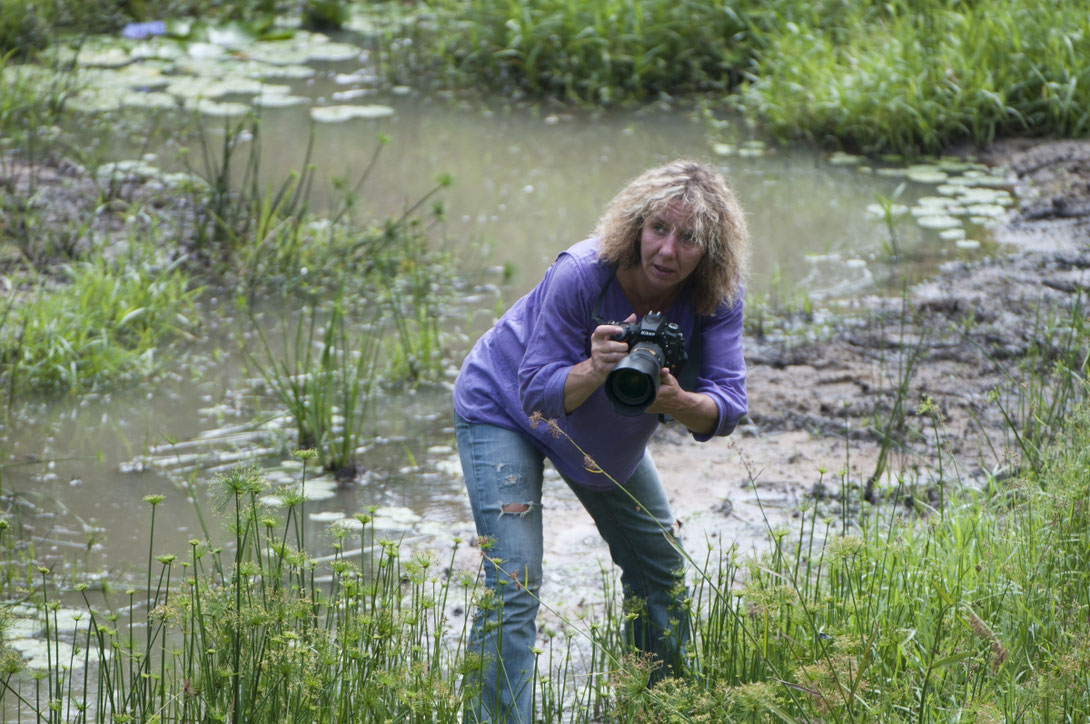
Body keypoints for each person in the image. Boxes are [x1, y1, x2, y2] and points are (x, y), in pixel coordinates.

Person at [453, 159, 749, 722]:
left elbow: (728, 406)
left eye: (688, 239)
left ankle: (656, 708)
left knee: (660, 567)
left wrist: (674, 402)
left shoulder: (716, 297)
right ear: (636, 226)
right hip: (505, 408)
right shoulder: (583, 272)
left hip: (602, 436)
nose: (666, 251)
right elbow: (536, 391)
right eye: (659, 229)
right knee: (515, 577)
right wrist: (593, 367)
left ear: (709, 251)